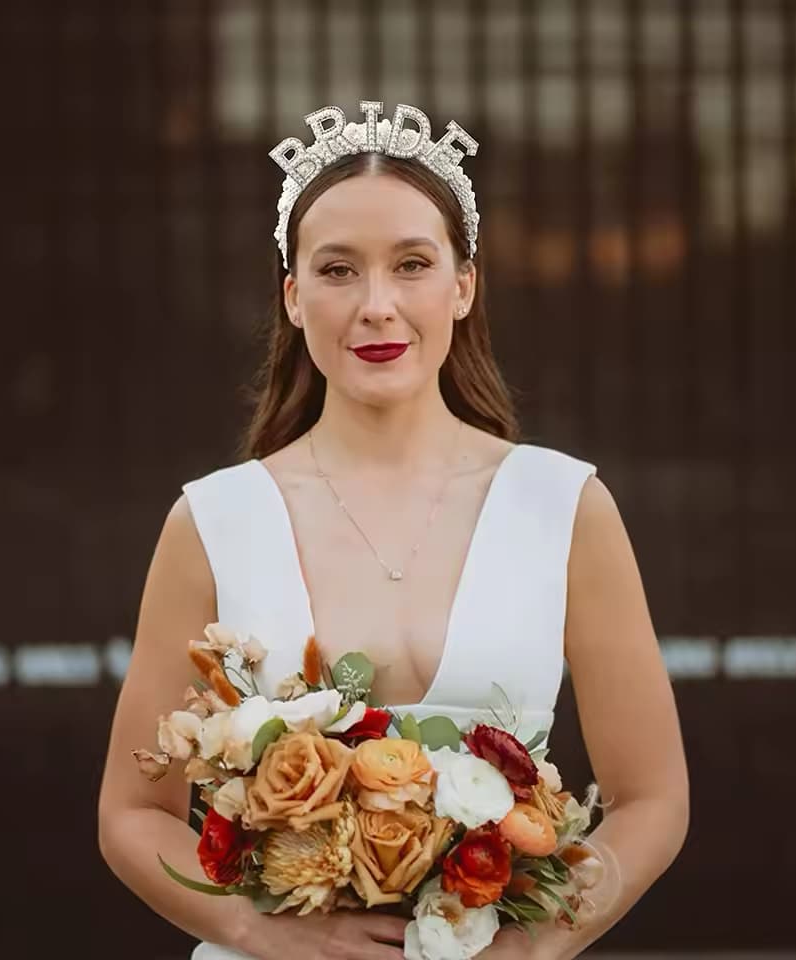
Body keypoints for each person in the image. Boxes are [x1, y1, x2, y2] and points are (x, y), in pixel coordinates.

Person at [97, 102, 689, 960]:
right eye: (338, 271)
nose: (377, 306)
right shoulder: (214, 520)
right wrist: (253, 928)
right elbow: (129, 812)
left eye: (411, 264)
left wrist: (537, 942)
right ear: (293, 298)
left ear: (464, 284)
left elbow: (654, 797)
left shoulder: (564, 506)